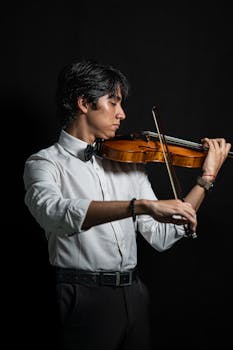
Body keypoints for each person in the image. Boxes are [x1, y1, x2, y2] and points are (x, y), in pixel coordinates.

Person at [23, 59, 231, 350]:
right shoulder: (44, 163)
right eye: (113, 102)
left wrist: (206, 178)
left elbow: (162, 234)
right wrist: (139, 206)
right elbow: (54, 214)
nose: (122, 114)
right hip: (81, 294)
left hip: (134, 294)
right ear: (84, 102)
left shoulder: (127, 164)